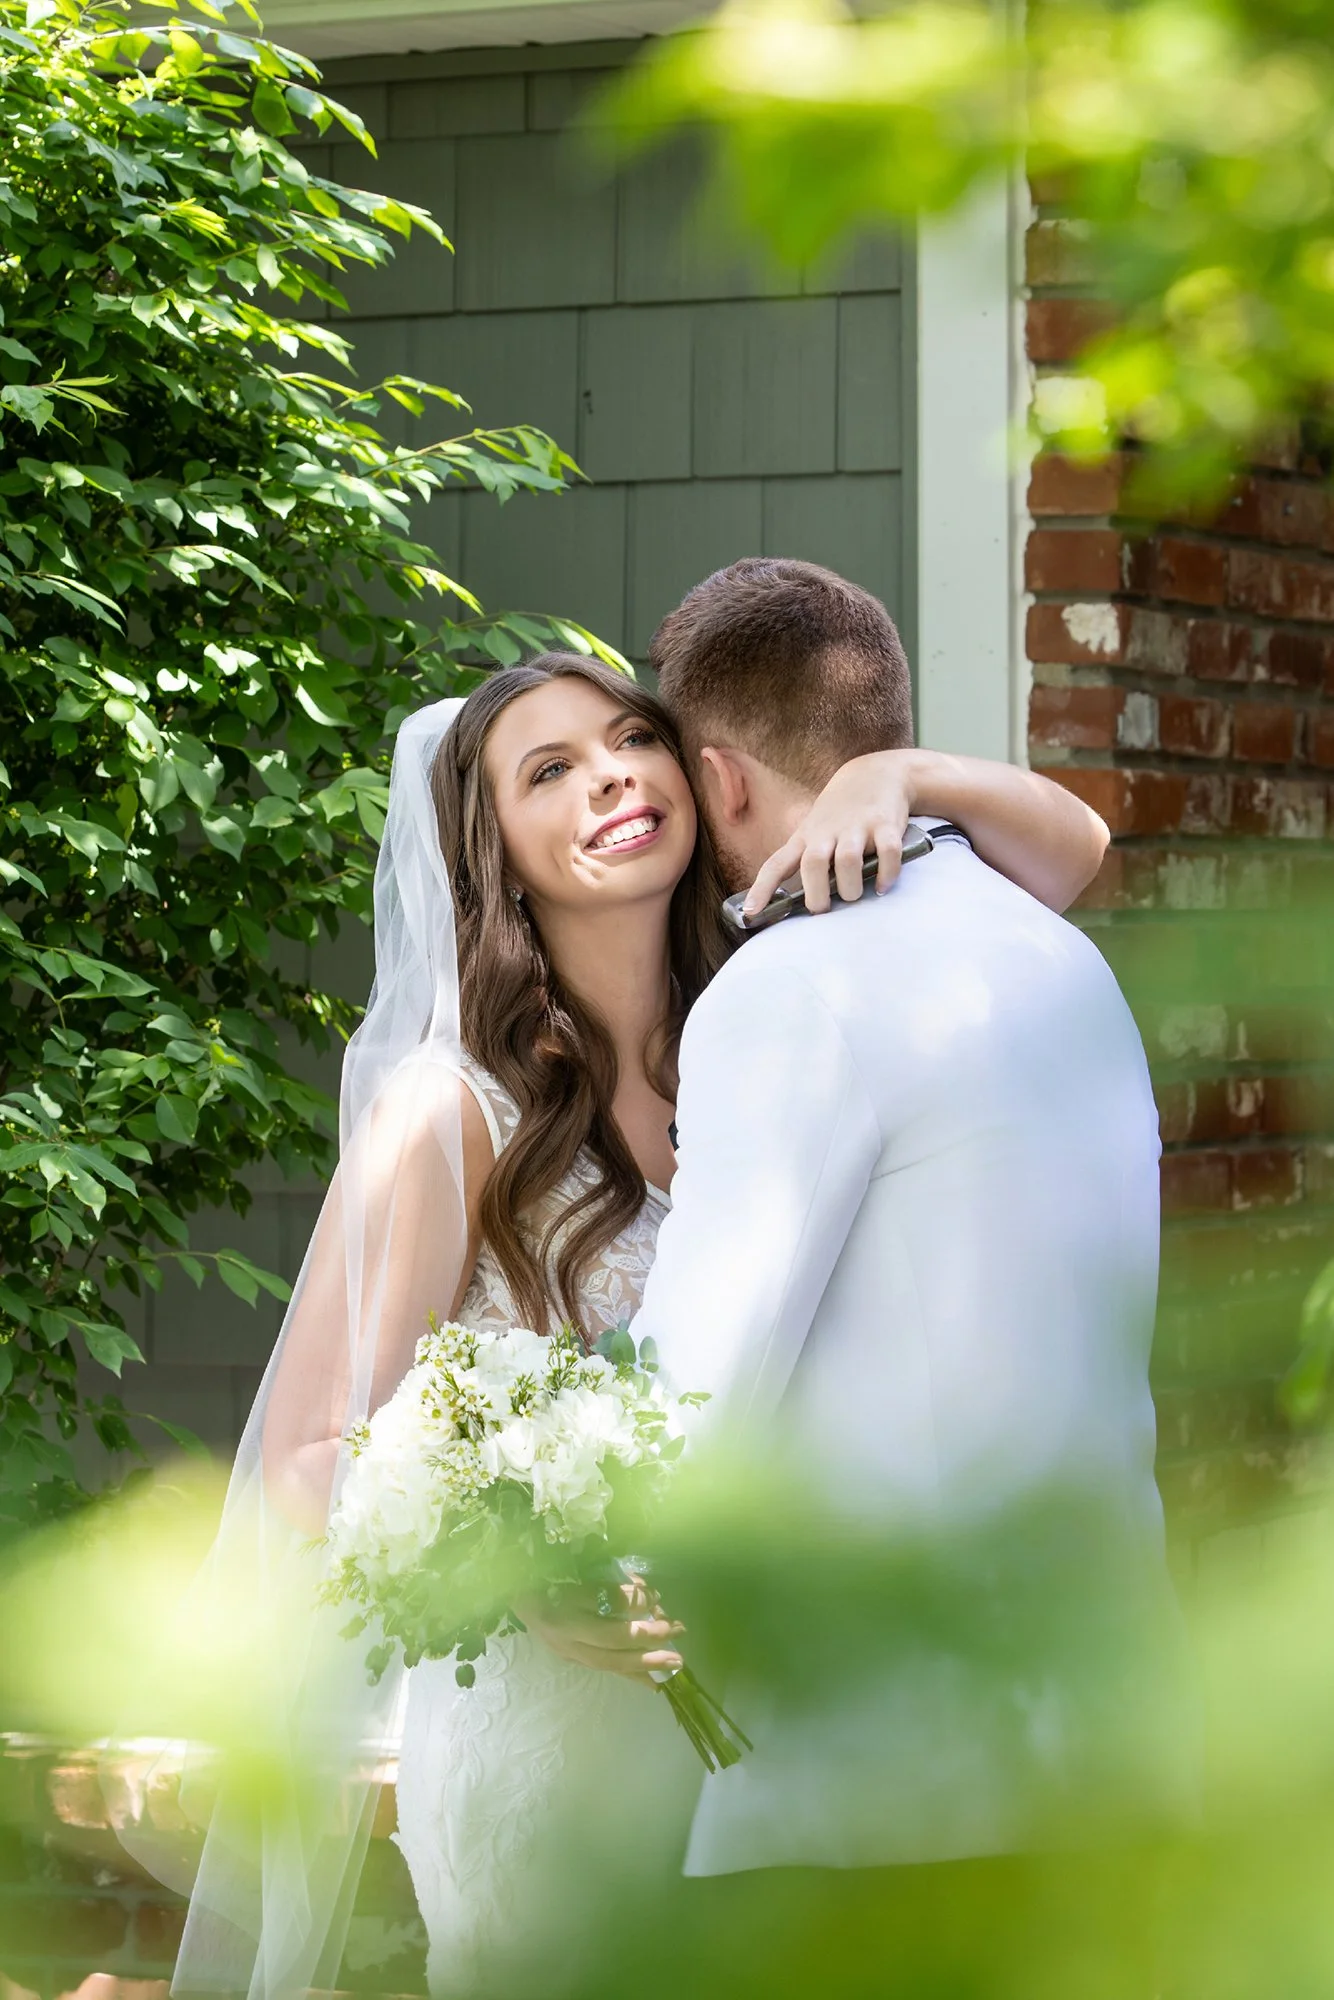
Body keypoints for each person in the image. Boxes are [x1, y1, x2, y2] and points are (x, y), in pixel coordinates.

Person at [168, 640, 1107, 2000]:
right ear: (494, 852)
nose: (610, 777)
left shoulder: (781, 999)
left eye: (629, 739)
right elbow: (314, 1451)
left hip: (787, 1738)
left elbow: (1066, 856)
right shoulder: (446, 1114)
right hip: (554, 1740)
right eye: (550, 770)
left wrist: (897, 772)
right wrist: (519, 1568)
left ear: (693, 769)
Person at [537, 559, 1193, 1983]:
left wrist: (548, 1539)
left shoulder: (790, 988)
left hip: (874, 1792)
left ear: (716, 778)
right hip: (1108, 1755)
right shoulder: (1059, 960)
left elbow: (687, 1396)